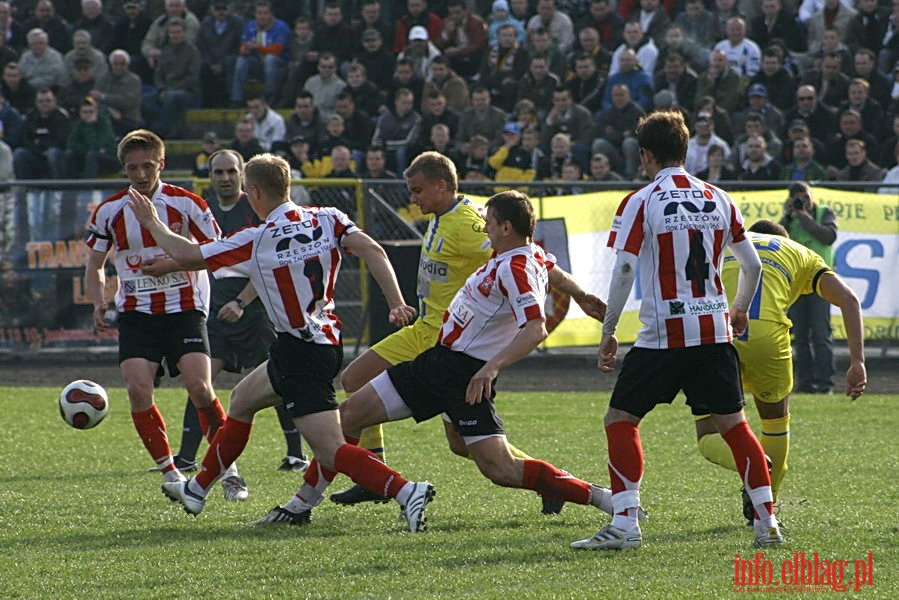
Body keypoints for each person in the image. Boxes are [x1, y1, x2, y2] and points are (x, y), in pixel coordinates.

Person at [283, 188, 631, 529]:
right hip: (438, 363)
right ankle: (307, 504)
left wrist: (491, 367)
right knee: (352, 419)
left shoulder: (517, 266)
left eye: (490, 223)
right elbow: (552, 270)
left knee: (501, 470)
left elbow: (535, 329)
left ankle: (600, 497)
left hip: (464, 374)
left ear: (506, 227)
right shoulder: (523, 255)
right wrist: (583, 295)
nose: (485, 228)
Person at [129, 152, 436, 533]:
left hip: (302, 353)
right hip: (319, 340)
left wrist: (152, 222)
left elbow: (188, 253)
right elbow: (374, 251)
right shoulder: (328, 217)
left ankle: (407, 490)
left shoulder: (257, 238)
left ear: (253, 192)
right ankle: (198, 488)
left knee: (330, 450)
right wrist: (396, 303)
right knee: (241, 400)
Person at [570, 110, 782, 551]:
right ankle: (767, 523)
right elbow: (752, 264)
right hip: (714, 330)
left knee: (620, 420)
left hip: (664, 335)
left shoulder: (641, 200)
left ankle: (625, 523)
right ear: (686, 149)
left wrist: (609, 330)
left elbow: (625, 267)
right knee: (735, 426)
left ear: (646, 154)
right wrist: (739, 309)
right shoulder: (721, 199)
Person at [696, 218, 866, 523]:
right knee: (774, 422)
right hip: (767, 339)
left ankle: (756, 463)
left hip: (718, 336)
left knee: (708, 434)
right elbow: (849, 299)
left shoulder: (724, 241)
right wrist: (857, 362)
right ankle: (764, 507)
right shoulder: (799, 252)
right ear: (783, 238)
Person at [84, 129, 225, 491]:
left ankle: (228, 465)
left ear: (161, 163)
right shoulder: (109, 211)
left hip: (184, 308)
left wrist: (173, 264)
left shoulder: (187, 203)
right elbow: (96, 263)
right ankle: (171, 473)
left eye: (148, 166)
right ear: (124, 169)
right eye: (133, 168)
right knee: (136, 389)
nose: (142, 175)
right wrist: (98, 299)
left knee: (200, 388)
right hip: (135, 313)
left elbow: (217, 255)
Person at [164, 149, 310, 477]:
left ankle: (296, 454)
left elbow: (269, 261)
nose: (225, 178)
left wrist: (242, 302)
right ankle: (186, 457)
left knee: (277, 380)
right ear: (210, 176)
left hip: (255, 312)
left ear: (243, 175)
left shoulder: (256, 208)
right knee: (200, 384)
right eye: (219, 172)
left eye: (231, 171)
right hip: (215, 314)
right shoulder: (205, 209)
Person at [777, 181, 837, 394]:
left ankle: (825, 383)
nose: (803, 202)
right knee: (800, 336)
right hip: (797, 283)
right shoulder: (790, 219)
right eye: (798, 199)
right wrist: (788, 216)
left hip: (821, 282)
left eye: (805, 197)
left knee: (821, 335)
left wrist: (804, 218)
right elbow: (778, 240)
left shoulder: (824, 213)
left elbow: (829, 237)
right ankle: (805, 382)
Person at [63, 96, 118, 179]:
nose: (88, 115)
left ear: (96, 112)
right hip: (89, 155)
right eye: (85, 112)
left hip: (110, 157)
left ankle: (88, 187)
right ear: (80, 113)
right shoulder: (80, 124)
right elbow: (70, 143)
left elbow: (97, 145)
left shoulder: (104, 123)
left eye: (91, 112)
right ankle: (69, 187)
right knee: (70, 154)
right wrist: (86, 149)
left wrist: (90, 126)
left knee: (92, 155)